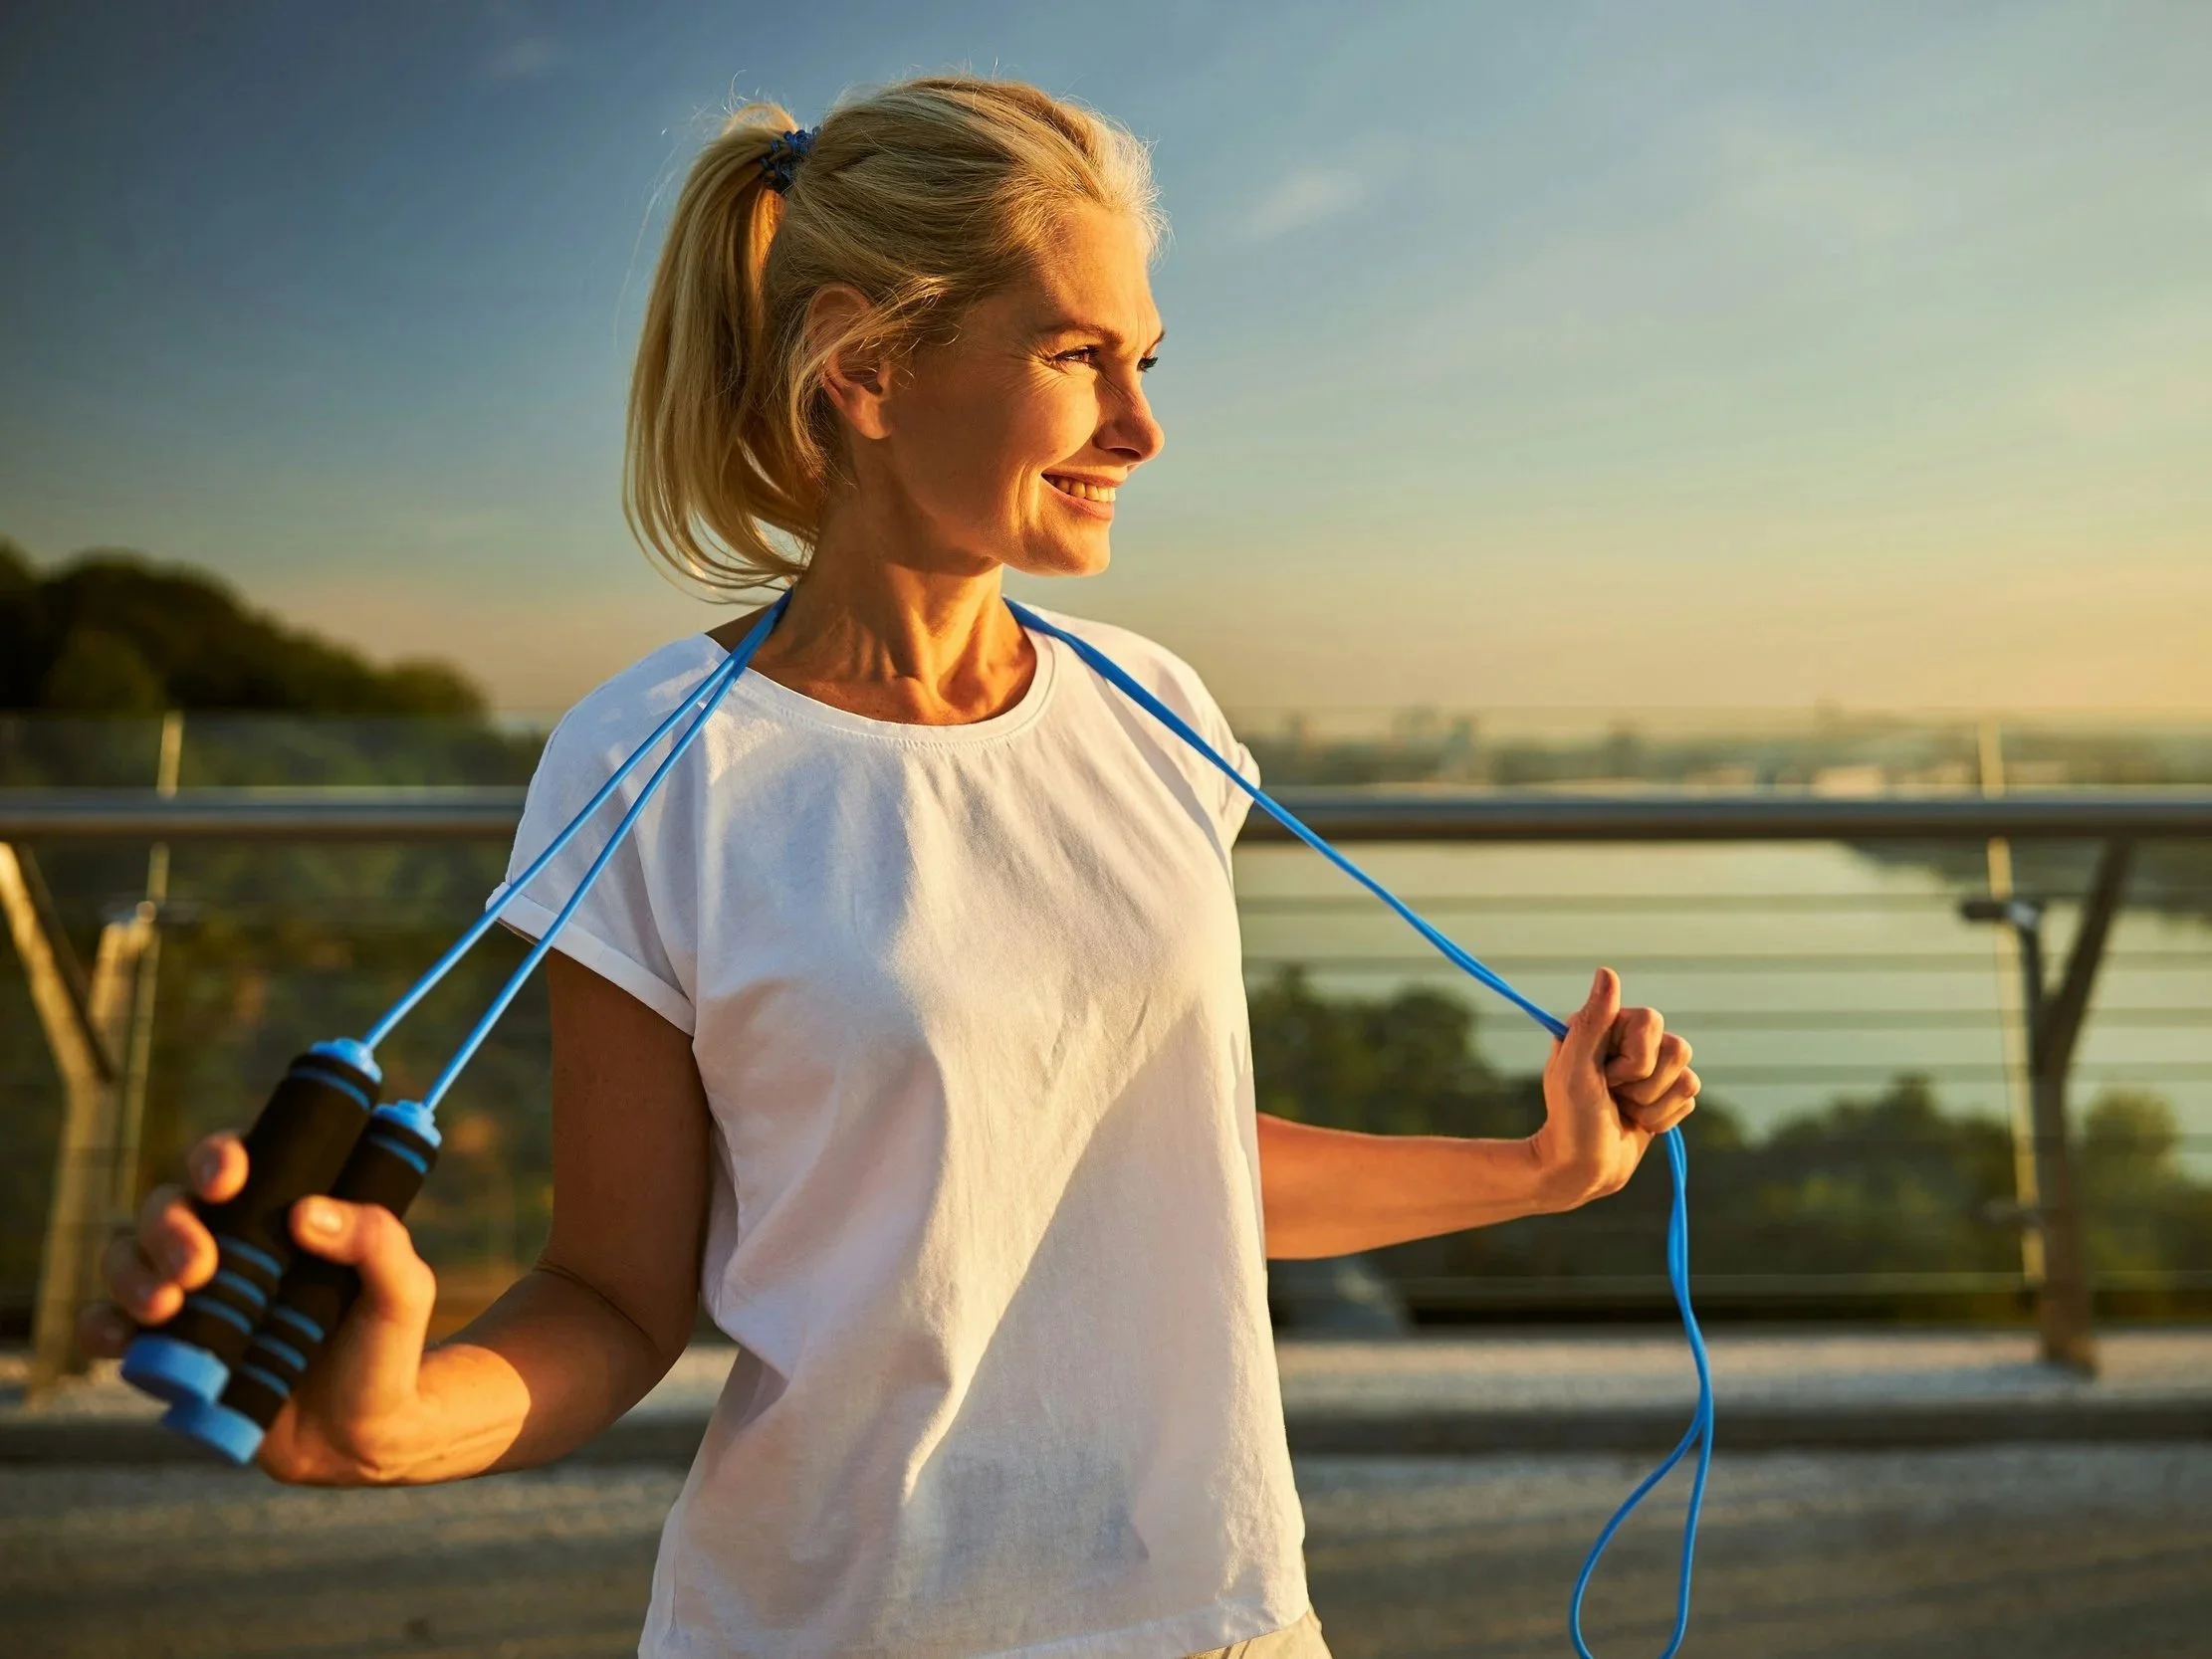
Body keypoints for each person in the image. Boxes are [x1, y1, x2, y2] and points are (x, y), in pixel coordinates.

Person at [84, 74, 1698, 1659]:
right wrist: (391, 1419)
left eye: (1142, 359)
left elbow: (1153, 1164)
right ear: (862, 366)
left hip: (1225, 1623)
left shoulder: (1163, 717)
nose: (1140, 425)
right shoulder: (653, 761)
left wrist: (1536, 1170)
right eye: (1078, 358)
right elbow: (612, 1293)